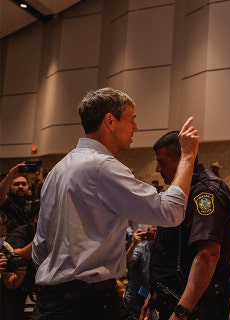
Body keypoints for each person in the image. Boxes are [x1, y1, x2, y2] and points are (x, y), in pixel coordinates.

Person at [30, 88, 200, 320]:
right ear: (110, 121)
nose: (136, 128)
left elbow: (40, 247)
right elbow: (170, 212)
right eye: (132, 120)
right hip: (86, 306)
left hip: (53, 301)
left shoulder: (59, 169)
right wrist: (188, 156)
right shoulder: (102, 167)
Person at [141, 130, 230, 320]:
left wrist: (182, 311)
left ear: (182, 160)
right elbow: (172, 252)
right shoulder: (182, 191)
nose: (158, 170)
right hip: (176, 297)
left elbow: (207, 255)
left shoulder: (205, 192)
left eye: (162, 162)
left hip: (197, 305)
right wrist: (154, 295)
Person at [2, 207, 35, 320]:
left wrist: (20, 273)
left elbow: (10, 283)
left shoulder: (5, 247)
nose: (1, 238)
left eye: (3, 234)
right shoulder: (20, 234)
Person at [124, 225, 156, 318]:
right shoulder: (141, 247)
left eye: (156, 233)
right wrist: (134, 243)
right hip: (135, 299)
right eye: (151, 232)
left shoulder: (162, 250)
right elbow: (128, 262)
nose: (154, 235)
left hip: (152, 298)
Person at [0, 165, 34, 233]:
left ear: (28, 187)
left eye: (24, 184)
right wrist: (9, 176)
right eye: (16, 184)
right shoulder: (6, 202)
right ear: (10, 187)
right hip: (10, 240)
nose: (20, 187)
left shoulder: (31, 205)